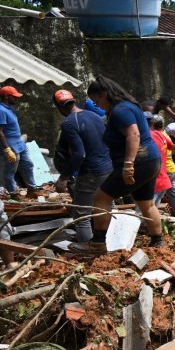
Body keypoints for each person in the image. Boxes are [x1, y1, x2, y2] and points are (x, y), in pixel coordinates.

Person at [68, 76, 163, 256]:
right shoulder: (130, 105)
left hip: (138, 161)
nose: (98, 104)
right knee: (146, 203)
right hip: (150, 160)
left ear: (105, 94)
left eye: (97, 100)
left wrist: (128, 165)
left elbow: (133, 136)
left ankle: (97, 243)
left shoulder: (120, 110)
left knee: (100, 198)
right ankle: (157, 241)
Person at [52, 89, 113, 243]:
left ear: (59, 107)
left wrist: (63, 177)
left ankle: (87, 248)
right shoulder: (95, 115)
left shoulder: (69, 123)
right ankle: (112, 243)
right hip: (108, 168)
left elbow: (80, 154)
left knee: (82, 215)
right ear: (74, 101)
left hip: (91, 172)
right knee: (104, 207)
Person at [0, 85, 38, 195]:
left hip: (19, 144)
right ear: (7, 97)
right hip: (10, 146)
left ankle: (32, 189)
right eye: (14, 96)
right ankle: (13, 194)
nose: (16, 99)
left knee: (28, 164)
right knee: (10, 172)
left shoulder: (9, 108)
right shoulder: (1, 110)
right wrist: (7, 149)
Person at [150, 116, 175, 219]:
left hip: (164, 171)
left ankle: (150, 219)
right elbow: (173, 148)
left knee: (155, 196)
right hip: (171, 170)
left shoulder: (154, 136)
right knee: (173, 194)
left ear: (152, 125)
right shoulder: (165, 135)